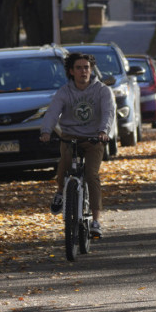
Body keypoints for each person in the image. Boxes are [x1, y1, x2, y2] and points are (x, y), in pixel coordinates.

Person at [40, 52, 116, 238]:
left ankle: (96, 221)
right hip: (70, 137)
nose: (83, 71)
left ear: (91, 70)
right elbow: (53, 112)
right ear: (71, 72)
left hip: (94, 138)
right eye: (79, 68)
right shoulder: (64, 92)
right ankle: (60, 192)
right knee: (64, 163)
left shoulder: (102, 91)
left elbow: (108, 112)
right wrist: (46, 131)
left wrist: (103, 131)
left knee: (91, 174)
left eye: (86, 68)